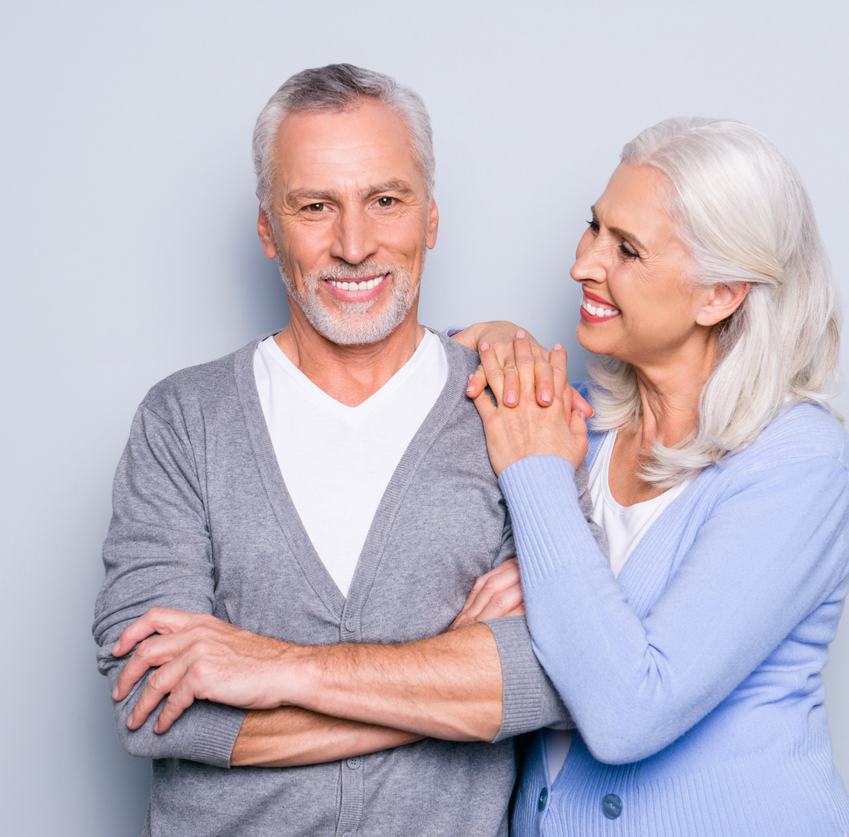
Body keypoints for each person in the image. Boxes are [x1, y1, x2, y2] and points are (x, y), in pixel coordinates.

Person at [92, 63, 570, 837]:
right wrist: (450, 670)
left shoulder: (509, 411)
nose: (355, 244)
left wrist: (271, 668)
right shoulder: (185, 420)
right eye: (315, 206)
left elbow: (550, 677)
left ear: (431, 219)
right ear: (267, 230)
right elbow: (158, 713)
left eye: (385, 200)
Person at [464, 117, 849, 835]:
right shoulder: (579, 423)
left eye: (627, 248)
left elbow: (626, 711)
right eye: (594, 228)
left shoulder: (801, 463)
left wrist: (533, 472)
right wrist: (502, 344)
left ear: (720, 294)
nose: (584, 263)